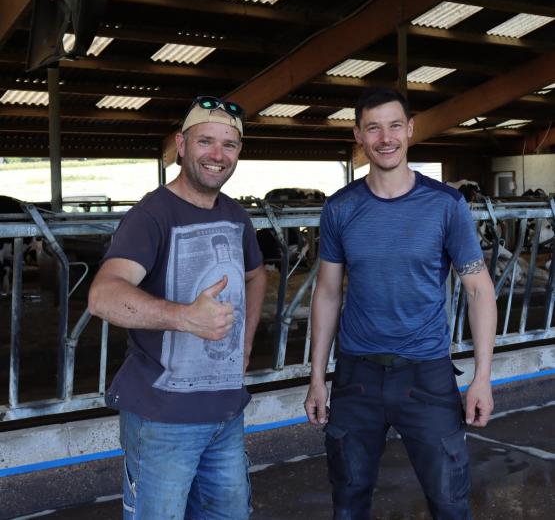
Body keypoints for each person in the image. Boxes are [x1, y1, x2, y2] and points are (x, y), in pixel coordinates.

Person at [304, 87, 497, 519]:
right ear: (358, 135)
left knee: (450, 501)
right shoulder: (340, 208)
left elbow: (479, 289)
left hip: (427, 378)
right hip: (356, 378)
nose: (385, 138)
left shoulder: (446, 205)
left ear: (409, 129)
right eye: (373, 128)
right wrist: (317, 376)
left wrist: (483, 377)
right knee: (348, 500)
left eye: (394, 126)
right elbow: (328, 292)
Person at [88, 96, 266, 519]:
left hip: (225, 412)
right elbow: (103, 295)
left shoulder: (237, 217)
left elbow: (257, 276)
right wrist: (183, 316)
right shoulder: (152, 216)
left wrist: (244, 344)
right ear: (181, 145)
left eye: (230, 145)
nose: (217, 155)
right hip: (162, 419)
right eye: (205, 141)